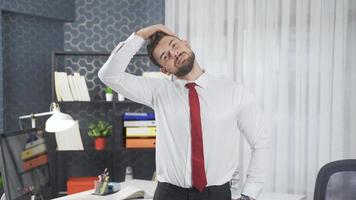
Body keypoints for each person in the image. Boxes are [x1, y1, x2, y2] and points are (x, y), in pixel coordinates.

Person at [98, 24, 271, 200]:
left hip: (217, 194)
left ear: (186, 44)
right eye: (165, 56)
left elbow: (261, 143)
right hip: (169, 194)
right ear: (165, 70)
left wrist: (250, 193)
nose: (174, 54)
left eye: (174, 45)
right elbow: (108, 75)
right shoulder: (158, 91)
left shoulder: (235, 92)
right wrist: (141, 35)